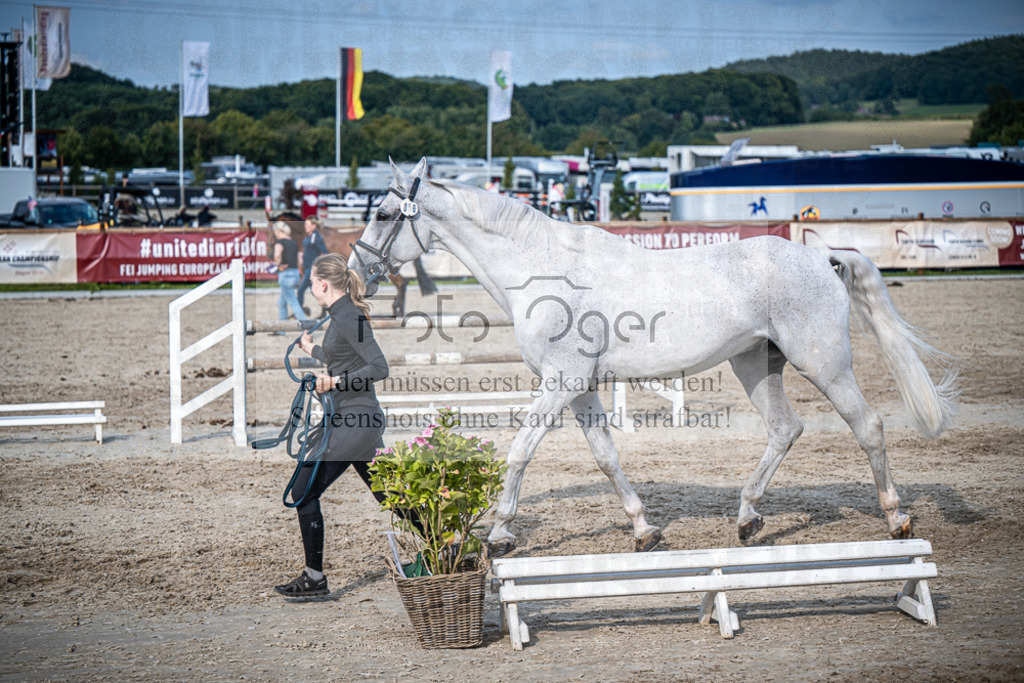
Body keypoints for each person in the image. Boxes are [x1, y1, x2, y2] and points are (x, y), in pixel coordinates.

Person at [273, 253, 389, 597]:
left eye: (312, 282)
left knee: (303, 491)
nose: (310, 287)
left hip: (356, 421)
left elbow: (379, 367)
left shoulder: (349, 316)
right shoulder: (341, 315)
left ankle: (314, 578)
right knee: (391, 496)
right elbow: (343, 358)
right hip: (353, 421)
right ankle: (446, 542)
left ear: (323, 284)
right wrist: (314, 350)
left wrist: (334, 383)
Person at [273, 222, 308, 326]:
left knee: (293, 302)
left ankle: (306, 326)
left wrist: (278, 264)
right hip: (295, 273)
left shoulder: (279, 242)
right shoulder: (293, 242)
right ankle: (282, 330)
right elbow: (300, 260)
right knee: (282, 303)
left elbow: (277, 255)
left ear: (278, 231)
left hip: (286, 275)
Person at [298, 216, 328, 312]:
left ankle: (299, 312)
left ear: (314, 226)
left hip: (312, 269)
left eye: (308, 224)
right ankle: (326, 309)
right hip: (307, 267)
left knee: (300, 290)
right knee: (315, 292)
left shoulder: (316, 237)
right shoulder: (309, 236)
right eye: (305, 224)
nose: (305, 226)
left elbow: (325, 252)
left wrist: (321, 267)